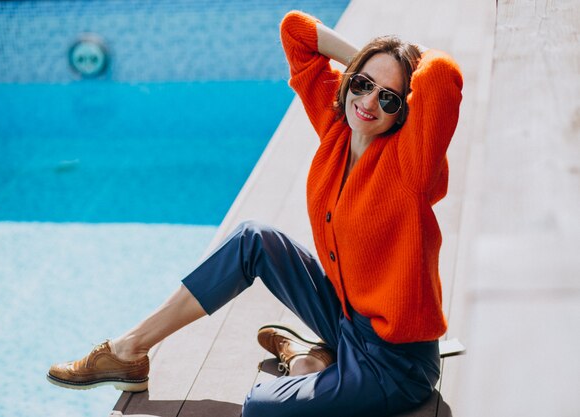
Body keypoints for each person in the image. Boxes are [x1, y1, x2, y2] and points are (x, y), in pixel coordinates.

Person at [47, 10, 462, 417]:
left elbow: (444, 73)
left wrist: (397, 63)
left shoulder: (410, 166)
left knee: (260, 407)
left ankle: (308, 361)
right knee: (253, 239)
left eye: (388, 97)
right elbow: (295, 31)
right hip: (348, 318)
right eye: (362, 83)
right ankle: (129, 350)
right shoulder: (338, 127)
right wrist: (370, 62)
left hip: (394, 365)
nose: (369, 101)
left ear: (404, 107)